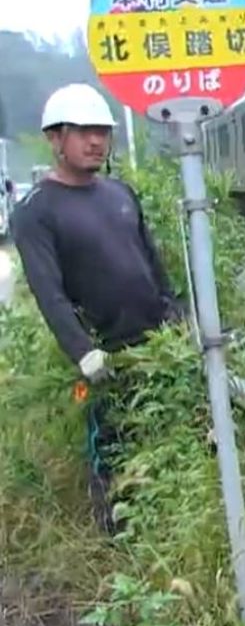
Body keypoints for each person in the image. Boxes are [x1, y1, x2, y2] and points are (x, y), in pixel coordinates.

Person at [11, 83, 183, 533]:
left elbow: (152, 263)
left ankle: (169, 526)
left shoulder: (120, 192)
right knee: (113, 449)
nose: (96, 141)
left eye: (102, 132)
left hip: (159, 345)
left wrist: (178, 315)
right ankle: (118, 537)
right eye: (83, 132)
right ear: (55, 138)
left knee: (168, 440)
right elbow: (49, 293)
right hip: (107, 357)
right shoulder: (36, 212)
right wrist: (83, 351)